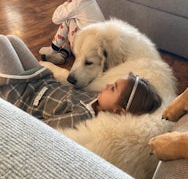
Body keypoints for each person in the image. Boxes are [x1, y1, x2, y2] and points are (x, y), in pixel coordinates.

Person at [0, 35, 162, 130]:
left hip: (24, 97)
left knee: (2, 42)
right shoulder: (98, 99)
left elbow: (42, 128)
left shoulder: (83, 116)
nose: (106, 85)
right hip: (42, 81)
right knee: (13, 39)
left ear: (119, 111)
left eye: (113, 89)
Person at [39, 0, 105, 65]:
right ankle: (62, 55)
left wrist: (68, 2)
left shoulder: (76, 5)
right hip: (95, 53)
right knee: (75, 27)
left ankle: (53, 49)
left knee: (68, 20)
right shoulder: (91, 1)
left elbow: (56, 19)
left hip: (83, 53)